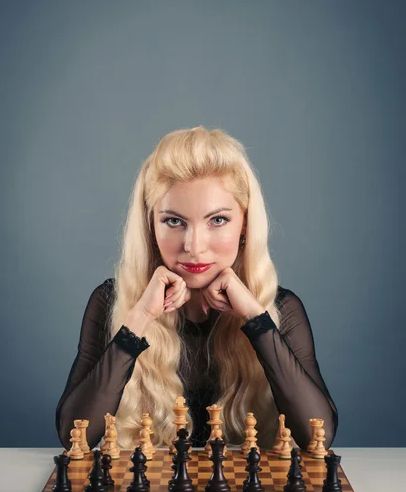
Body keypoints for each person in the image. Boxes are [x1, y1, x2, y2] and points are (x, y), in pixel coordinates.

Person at [56, 126, 338, 451]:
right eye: (174, 221)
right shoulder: (109, 301)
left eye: (217, 220)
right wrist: (137, 320)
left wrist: (257, 320)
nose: (194, 246)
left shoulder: (282, 308)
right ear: (151, 226)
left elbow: (319, 436)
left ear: (244, 224)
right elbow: (74, 437)